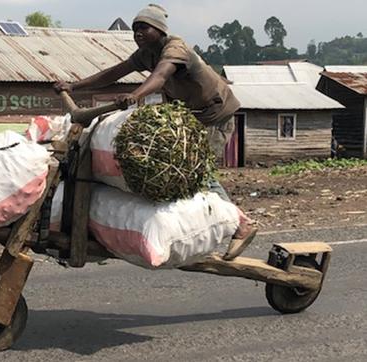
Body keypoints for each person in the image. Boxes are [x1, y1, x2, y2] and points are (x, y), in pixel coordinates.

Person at [54, 4, 256, 260]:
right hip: (189, 118)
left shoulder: (174, 47)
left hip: (214, 115)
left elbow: (160, 77)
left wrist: (135, 95)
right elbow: (114, 73)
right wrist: (74, 85)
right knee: (181, 173)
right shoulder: (145, 53)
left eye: (144, 28)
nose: (137, 33)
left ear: (159, 30)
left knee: (197, 173)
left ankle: (242, 225)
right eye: (135, 29)